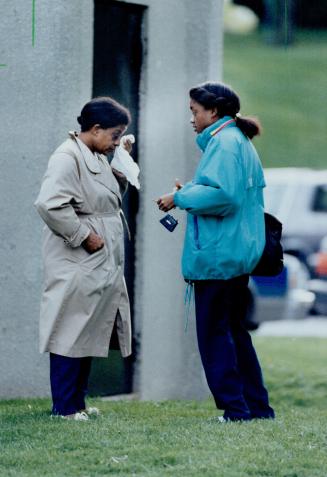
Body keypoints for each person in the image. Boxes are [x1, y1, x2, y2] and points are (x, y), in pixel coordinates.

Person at [157, 82, 275, 422]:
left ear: (214, 112)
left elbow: (224, 196)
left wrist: (179, 198)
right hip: (236, 254)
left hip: (218, 257)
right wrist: (191, 191)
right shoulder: (237, 140)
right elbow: (223, 190)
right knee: (235, 333)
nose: (191, 118)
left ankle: (236, 410)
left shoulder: (223, 144)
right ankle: (256, 408)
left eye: (194, 111)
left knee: (214, 336)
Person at [35, 97, 133, 420]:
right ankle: (63, 407)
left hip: (97, 261)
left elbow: (105, 199)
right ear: (95, 129)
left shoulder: (95, 155)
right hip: (77, 257)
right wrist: (83, 236)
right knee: (69, 330)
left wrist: (121, 167)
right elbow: (50, 204)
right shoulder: (67, 157)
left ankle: (76, 403)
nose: (116, 142)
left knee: (88, 329)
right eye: (115, 135)